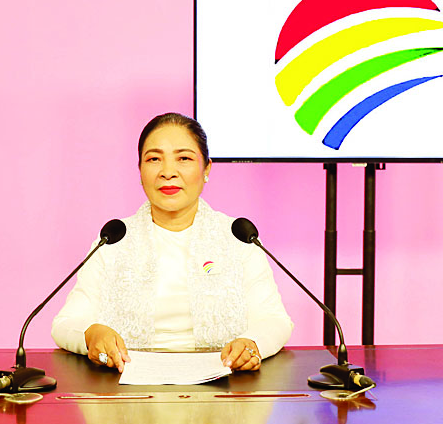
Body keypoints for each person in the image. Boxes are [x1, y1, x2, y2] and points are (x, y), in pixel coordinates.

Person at [51, 113, 293, 373]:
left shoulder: (237, 237)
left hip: (224, 382)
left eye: (184, 158)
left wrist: (252, 344)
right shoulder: (114, 240)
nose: (168, 172)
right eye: (154, 159)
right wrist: (91, 335)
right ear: (140, 170)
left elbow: (274, 321)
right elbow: (66, 324)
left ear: (206, 169)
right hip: (127, 384)